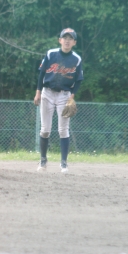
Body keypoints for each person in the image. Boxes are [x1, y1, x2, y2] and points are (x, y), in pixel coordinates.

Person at [33, 28, 83, 173]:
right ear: (60, 40)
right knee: (45, 130)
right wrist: (38, 92)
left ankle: (63, 163)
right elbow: (42, 74)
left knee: (63, 130)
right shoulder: (51, 54)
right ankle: (43, 161)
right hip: (47, 93)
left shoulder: (76, 59)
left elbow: (79, 80)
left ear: (74, 42)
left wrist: (72, 96)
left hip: (64, 95)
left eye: (70, 38)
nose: (67, 40)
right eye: (64, 38)